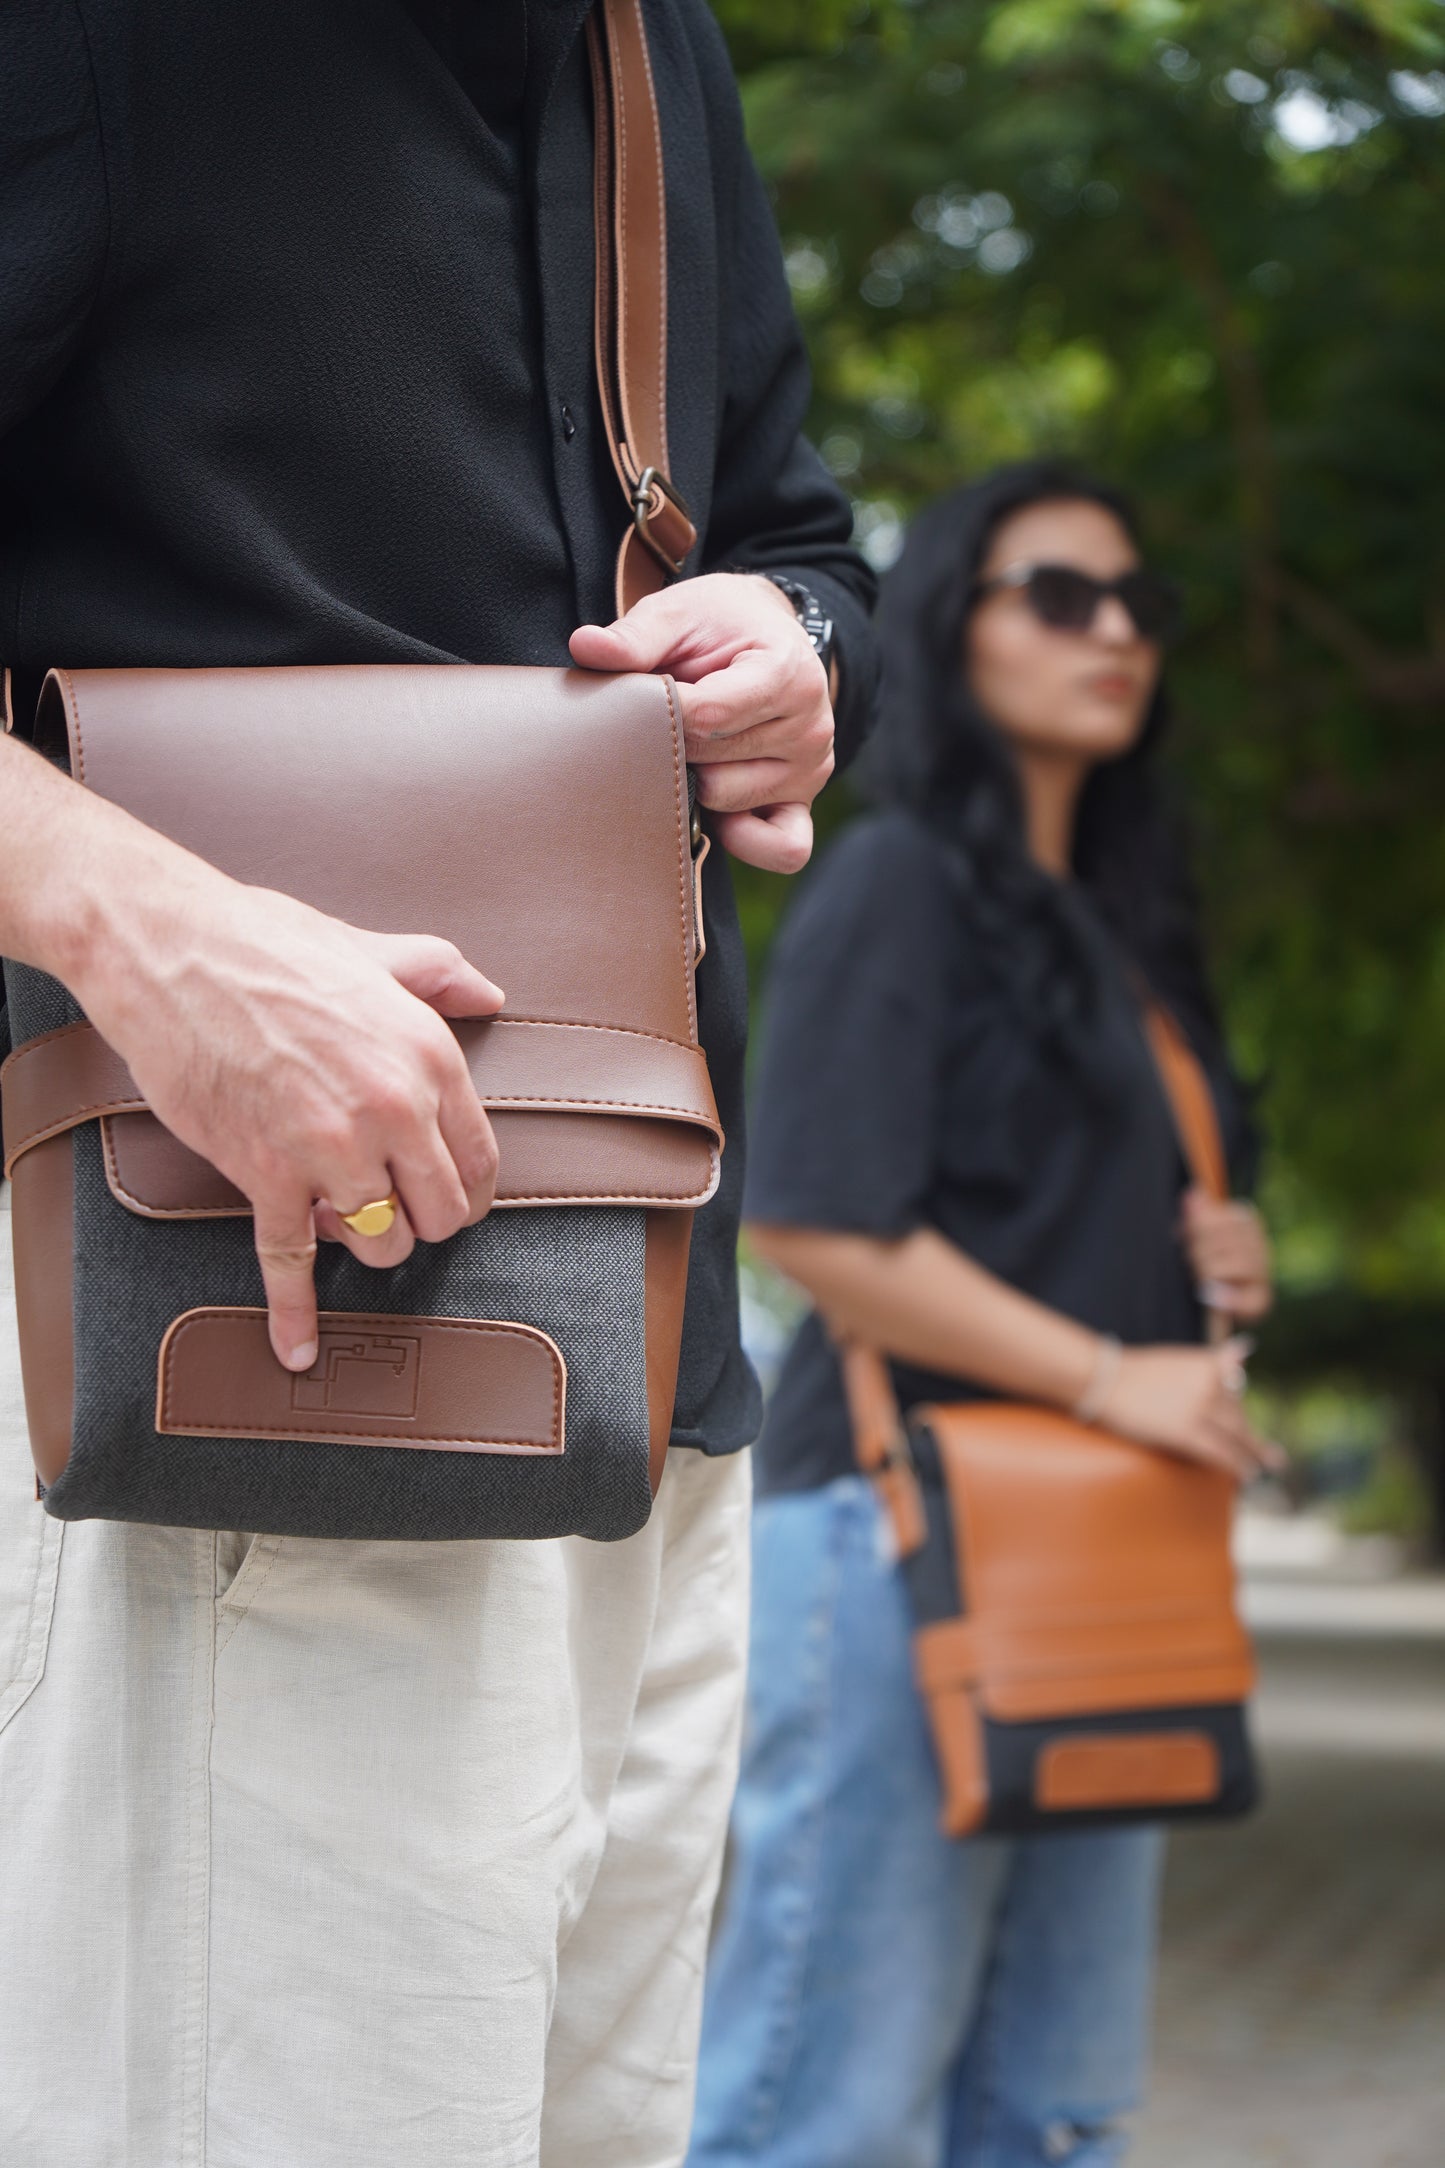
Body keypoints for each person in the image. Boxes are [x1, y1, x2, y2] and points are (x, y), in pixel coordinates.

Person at [0, 4, 878, 2163]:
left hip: (644, 1378)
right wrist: (138, 921)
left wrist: (790, 646)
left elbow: (794, 529)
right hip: (233, 1344)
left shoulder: (654, 43)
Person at [688, 463, 1276, 2168]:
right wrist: (1120, 1377)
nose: (1114, 634)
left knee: (1047, 2108)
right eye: (1059, 594)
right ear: (952, 619)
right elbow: (814, 1217)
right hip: (897, 1544)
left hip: (1102, 1553)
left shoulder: (1124, 934)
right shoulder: (899, 885)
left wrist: (1208, 1256)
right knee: (828, 2106)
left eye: (1139, 605)